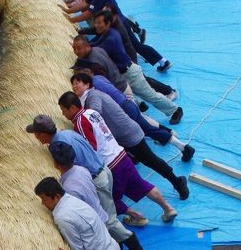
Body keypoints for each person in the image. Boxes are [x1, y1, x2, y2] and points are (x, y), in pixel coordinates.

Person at [25, 114, 142, 250]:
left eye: (36, 134)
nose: (36, 138)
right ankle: (120, 242)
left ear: (42, 134)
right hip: (102, 169)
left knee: (107, 218)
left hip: (97, 177)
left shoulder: (58, 146)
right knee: (106, 211)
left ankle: (133, 245)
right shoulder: (65, 134)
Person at [58, 92, 179, 223]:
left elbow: (90, 148)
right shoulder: (92, 113)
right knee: (142, 185)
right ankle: (168, 208)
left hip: (110, 165)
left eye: (64, 110)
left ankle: (136, 216)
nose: (63, 114)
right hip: (121, 155)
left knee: (108, 199)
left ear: (72, 108)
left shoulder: (80, 123)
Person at [69, 71, 190, 199]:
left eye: (77, 83)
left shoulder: (93, 96)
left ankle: (178, 182)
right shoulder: (89, 98)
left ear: (87, 84)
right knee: (146, 161)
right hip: (123, 137)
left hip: (129, 135)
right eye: (73, 85)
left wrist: (79, 119)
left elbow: (95, 114)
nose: (75, 86)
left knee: (152, 161)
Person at [89, 12, 183, 123]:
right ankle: (140, 106)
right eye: (95, 23)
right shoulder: (107, 33)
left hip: (130, 73)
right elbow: (95, 44)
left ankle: (176, 110)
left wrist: (82, 50)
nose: (96, 25)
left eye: (99, 23)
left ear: (108, 23)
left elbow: (97, 51)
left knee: (150, 96)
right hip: (122, 74)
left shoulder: (111, 37)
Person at [33, 177, 123, 250]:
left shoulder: (62, 216)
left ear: (57, 196)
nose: (43, 203)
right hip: (113, 247)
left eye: (44, 199)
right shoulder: (71, 199)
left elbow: (77, 247)